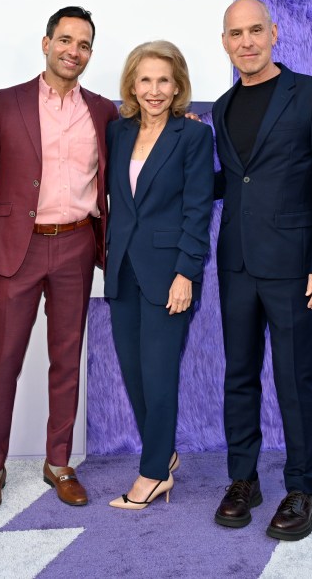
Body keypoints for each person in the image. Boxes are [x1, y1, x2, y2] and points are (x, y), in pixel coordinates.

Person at [0, 6, 118, 510]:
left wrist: (182, 119)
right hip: (18, 248)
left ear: (89, 54)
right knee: (4, 362)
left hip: (76, 244)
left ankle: (59, 463)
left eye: (83, 45)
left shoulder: (103, 111)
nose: (73, 51)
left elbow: (138, 149)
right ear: (46, 42)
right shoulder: (5, 103)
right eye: (66, 40)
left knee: (66, 362)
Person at [212, 0, 312, 540]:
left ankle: (302, 488)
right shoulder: (221, 108)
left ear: (274, 33)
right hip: (238, 264)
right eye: (235, 34)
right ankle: (243, 479)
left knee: (295, 379)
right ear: (224, 42)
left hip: (296, 268)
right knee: (239, 377)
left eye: (255, 31)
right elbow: (234, 181)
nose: (246, 42)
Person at [104, 41, 213, 510]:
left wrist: (186, 272)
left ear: (177, 86)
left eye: (163, 80)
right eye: (145, 80)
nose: (154, 90)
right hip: (123, 271)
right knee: (134, 373)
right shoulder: (117, 132)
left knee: (160, 374)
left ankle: (152, 476)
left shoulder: (192, 136)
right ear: (132, 84)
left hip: (169, 274)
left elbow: (198, 210)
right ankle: (163, 453)